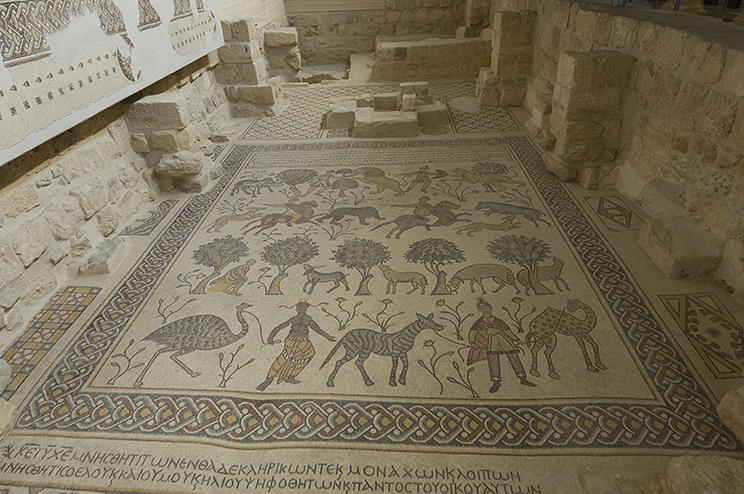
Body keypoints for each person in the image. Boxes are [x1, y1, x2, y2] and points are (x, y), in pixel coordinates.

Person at [256, 301, 336, 391]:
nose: (301, 310)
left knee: (305, 354)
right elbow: (279, 327)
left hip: (300, 341)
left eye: (302, 309)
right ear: (298, 309)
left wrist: (328, 337)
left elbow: (317, 329)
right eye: (300, 309)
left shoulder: (301, 319)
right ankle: (270, 379)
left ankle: (289, 376)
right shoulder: (302, 319)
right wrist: (270, 338)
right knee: (285, 358)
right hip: (295, 341)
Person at [467, 298, 536, 393]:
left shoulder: (497, 320)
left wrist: (517, 340)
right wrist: (472, 343)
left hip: (504, 340)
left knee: (513, 356)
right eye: (481, 309)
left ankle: (522, 378)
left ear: (490, 308)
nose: (484, 310)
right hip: (491, 343)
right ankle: (496, 382)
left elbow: (507, 331)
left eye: (486, 308)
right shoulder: (479, 322)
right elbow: (473, 332)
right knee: (493, 359)